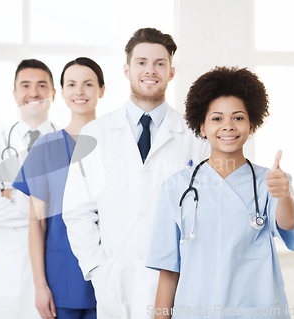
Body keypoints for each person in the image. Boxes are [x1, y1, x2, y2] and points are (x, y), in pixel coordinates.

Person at [62, 28, 210, 319]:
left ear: (171, 72)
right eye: (141, 62)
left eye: (159, 63)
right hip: (115, 282)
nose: (150, 70)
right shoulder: (95, 133)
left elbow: (206, 211)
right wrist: (97, 269)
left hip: (176, 283)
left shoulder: (195, 136)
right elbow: (77, 210)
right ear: (127, 70)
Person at [146, 66, 294, 319]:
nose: (228, 126)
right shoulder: (176, 187)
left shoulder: (270, 181)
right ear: (202, 127)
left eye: (238, 118)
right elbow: (168, 269)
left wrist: (283, 195)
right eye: (217, 118)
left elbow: (286, 223)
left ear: (252, 126)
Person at [13, 57, 104, 319]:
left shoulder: (115, 145)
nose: (79, 91)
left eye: (88, 84)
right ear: (61, 92)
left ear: (102, 89)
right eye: (71, 84)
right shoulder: (45, 148)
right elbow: (37, 222)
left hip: (109, 274)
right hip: (62, 277)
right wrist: (40, 285)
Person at [0, 59, 57, 319]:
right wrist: (41, 208)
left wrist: (13, 195)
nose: (33, 92)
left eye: (42, 85)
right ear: (15, 94)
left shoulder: (67, 144)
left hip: (53, 269)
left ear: (53, 94)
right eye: (26, 85)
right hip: (9, 274)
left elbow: (71, 209)